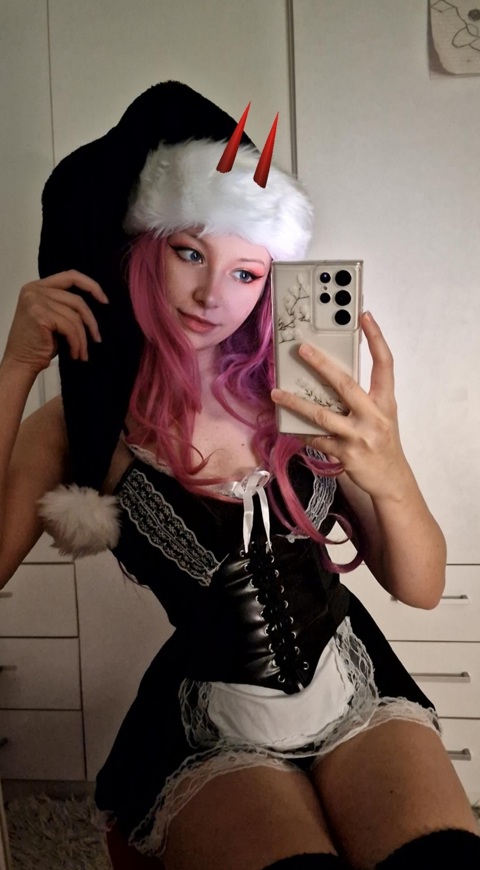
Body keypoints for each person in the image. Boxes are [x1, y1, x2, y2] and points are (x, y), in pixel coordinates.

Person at [0, 81, 478, 870]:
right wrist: (17, 367)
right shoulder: (84, 420)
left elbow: (421, 587)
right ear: (147, 247)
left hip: (353, 686)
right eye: (190, 253)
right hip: (214, 721)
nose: (211, 295)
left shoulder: (305, 391)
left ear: (270, 282)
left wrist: (389, 469)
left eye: (247, 273)